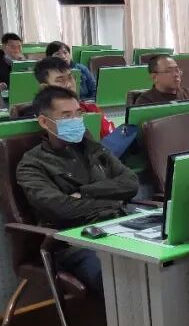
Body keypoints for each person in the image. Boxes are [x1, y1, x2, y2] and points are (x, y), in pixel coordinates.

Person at [16, 86, 139, 292]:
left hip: (118, 224)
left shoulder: (92, 147)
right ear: (44, 122)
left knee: (161, 263)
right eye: (66, 116)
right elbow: (61, 208)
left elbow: (131, 182)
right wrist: (113, 199)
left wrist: (85, 192)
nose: (75, 120)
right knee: (120, 280)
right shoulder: (32, 164)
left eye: (78, 114)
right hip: (74, 241)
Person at [33, 57, 115, 136]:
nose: (69, 85)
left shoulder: (91, 109)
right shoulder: (41, 117)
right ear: (45, 87)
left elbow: (113, 139)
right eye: (60, 80)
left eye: (70, 77)